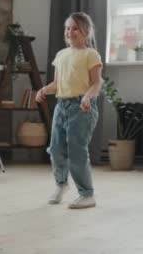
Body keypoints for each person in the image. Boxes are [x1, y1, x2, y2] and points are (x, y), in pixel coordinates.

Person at [36, 12, 103, 209]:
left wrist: (87, 97)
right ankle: (61, 184)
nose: (70, 31)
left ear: (86, 32)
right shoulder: (61, 55)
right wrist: (43, 90)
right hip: (61, 106)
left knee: (76, 151)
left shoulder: (91, 55)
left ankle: (86, 194)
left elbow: (97, 83)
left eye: (75, 28)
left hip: (81, 108)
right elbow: (57, 84)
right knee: (56, 148)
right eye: (67, 28)